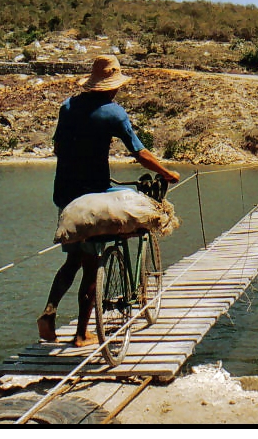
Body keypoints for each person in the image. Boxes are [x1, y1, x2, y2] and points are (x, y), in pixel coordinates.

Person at [37, 55, 180, 347]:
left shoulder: (68, 106)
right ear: (113, 87)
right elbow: (139, 153)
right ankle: (81, 334)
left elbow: (58, 146)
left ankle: (50, 311)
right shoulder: (114, 114)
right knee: (92, 263)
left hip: (65, 194)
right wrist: (167, 172)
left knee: (73, 259)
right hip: (95, 194)